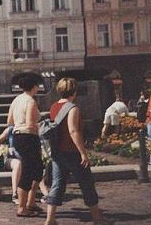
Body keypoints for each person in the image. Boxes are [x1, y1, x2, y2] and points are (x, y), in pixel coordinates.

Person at [45, 78, 111, 225]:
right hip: (72, 152)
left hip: (57, 152)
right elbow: (73, 130)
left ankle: (50, 219)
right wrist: (83, 152)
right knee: (87, 183)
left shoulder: (54, 106)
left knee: (57, 184)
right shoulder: (73, 108)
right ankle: (97, 218)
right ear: (74, 91)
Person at [7, 74, 43, 217]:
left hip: (18, 136)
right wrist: (41, 128)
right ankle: (22, 207)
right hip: (28, 136)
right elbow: (29, 123)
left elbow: (9, 120)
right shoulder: (30, 101)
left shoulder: (16, 100)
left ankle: (30, 202)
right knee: (29, 171)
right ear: (34, 87)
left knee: (37, 169)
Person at [0, 125, 20, 204]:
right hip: (11, 158)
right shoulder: (11, 129)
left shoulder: (28, 128)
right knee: (17, 164)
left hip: (25, 158)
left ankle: (45, 193)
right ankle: (15, 194)